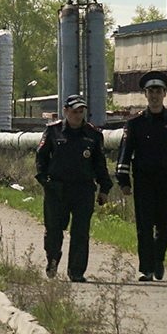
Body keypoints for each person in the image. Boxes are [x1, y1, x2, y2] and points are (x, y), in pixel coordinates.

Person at [116, 70, 167, 281]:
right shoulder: (135, 123)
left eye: (158, 91)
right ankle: (147, 269)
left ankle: (158, 258)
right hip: (143, 180)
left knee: (165, 224)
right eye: (151, 91)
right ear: (145, 94)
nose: (154, 95)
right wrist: (124, 181)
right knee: (144, 226)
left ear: (164, 93)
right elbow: (124, 154)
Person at [35, 93, 111, 281]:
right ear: (65, 112)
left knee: (80, 232)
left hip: (83, 190)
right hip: (56, 190)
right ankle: (52, 261)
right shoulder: (53, 132)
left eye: (81, 112)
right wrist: (45, 182)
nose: (78, 116)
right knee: (53, 232)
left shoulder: (93, 135)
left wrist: (104, 189)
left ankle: (76, 272)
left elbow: (100, 165)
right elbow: (41, 159)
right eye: (74, 112)